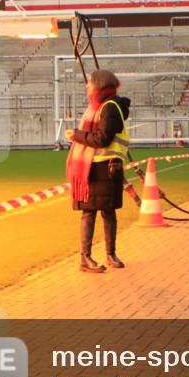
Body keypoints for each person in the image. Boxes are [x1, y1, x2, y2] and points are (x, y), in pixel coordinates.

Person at [65, 68, 131, 274]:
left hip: (100, 167)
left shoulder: (108, 107)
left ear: (99, 85)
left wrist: (77, 135)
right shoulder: (107, 105)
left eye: (90, 83)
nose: (87, 87)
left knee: (94, 211)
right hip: (104, 167)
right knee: (101, 211)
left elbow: (102, 139)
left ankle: (91, 257)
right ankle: (99, 256)